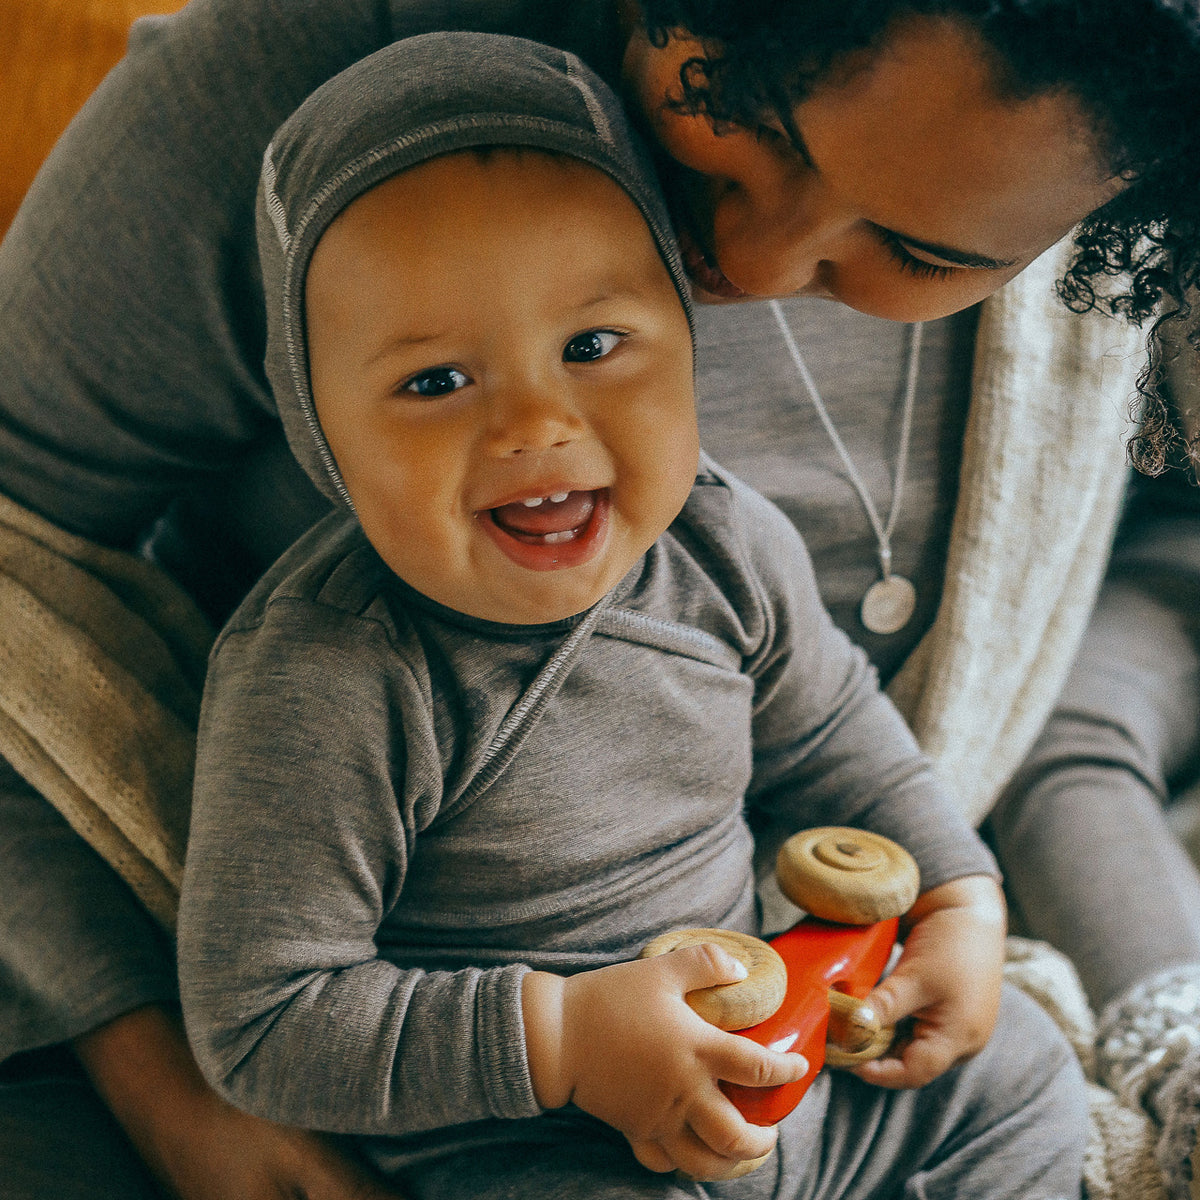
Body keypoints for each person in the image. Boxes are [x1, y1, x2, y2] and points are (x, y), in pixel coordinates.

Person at [2, 0, 1200, 1197]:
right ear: (315, 423)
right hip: (523, 1129)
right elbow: (271, 1007)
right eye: (751, 126)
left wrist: (959, 885)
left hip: (800, 1033)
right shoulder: (327, 674)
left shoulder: (724, 543)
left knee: (1022, 1081)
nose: (759, 267)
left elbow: (840, 732)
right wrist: (166, 1078)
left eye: (929, 252)